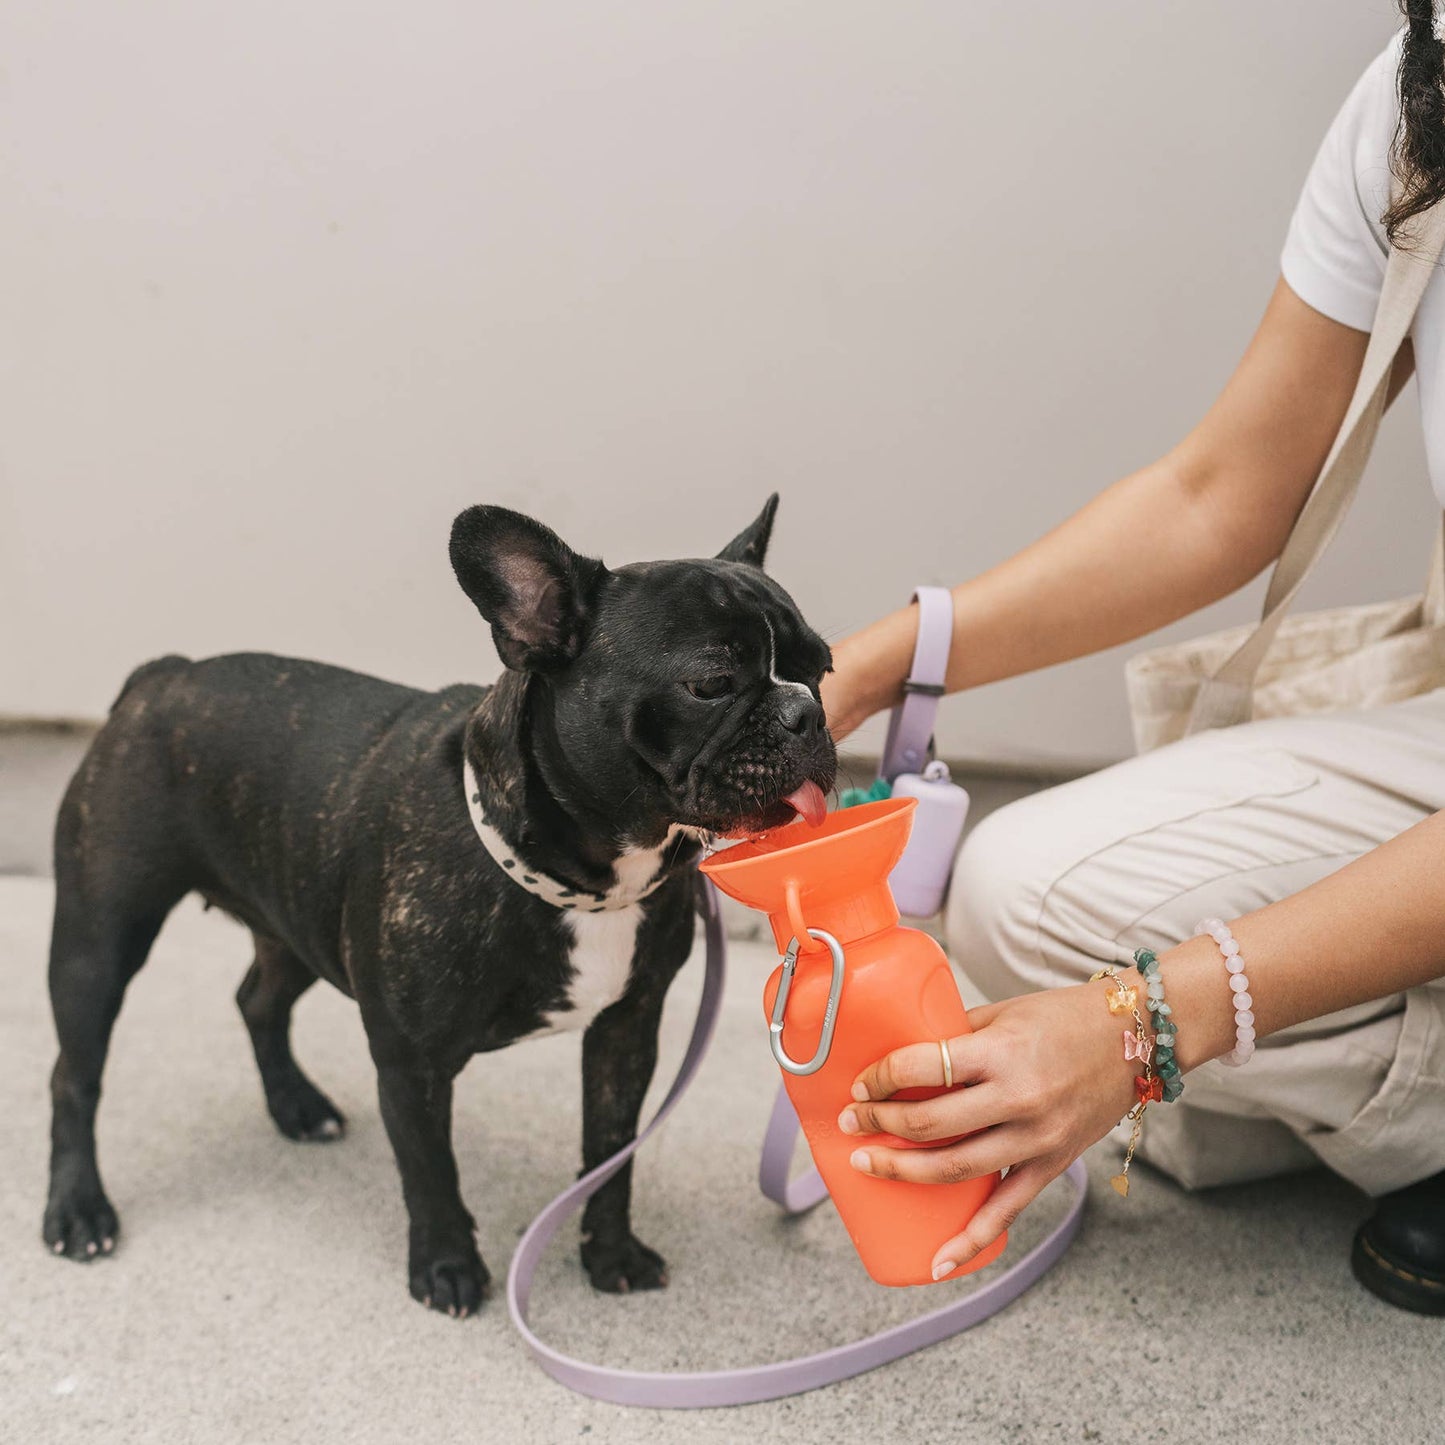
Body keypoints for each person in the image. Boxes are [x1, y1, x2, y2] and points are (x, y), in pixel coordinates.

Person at [820, 9, 1445, 1316]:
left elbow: (1142, 1013)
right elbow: (1220, 492)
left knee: (1128, 994)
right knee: (1021, 893)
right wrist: (884, 659)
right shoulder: (1422, 90)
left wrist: (1143, 1025)